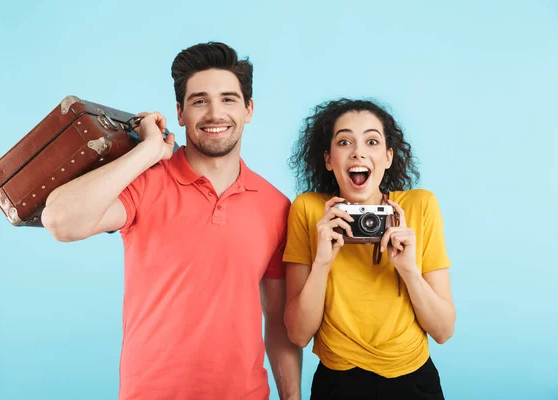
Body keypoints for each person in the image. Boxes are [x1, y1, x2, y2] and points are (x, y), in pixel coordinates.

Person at [42, 42, 301, 400]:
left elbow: (276, 321)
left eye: (228, 99)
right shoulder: (146, 183)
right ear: (179, 113)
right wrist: (148, 152)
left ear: (248, 109)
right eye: (199, 101)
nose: (214, 114)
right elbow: (59, 221)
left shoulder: (275, 206)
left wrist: (291, 397)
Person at [283, 98, 455, 399]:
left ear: (388, 157)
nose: (358, 152)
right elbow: (298, 335)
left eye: (372, 141)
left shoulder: (418, 206)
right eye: (345, 142)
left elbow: (443, 331)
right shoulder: (310, 211)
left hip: (413, 377)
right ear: (328, 159)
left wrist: (409, 271)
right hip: (337, 381)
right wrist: (322, 262)